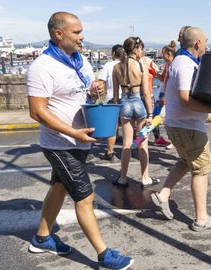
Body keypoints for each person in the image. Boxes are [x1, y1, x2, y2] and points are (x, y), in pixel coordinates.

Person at [26, 12, 133, 269]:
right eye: (76, 32)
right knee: (84, 198)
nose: (82, 36)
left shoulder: (80, 59)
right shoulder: (42, 66)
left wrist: (95, 88)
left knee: (59, 187)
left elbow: (88, 90)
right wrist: (73, 133)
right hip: (60, 144)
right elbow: (37, 111)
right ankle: (103, 254)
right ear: (58, 34)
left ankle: (41, 238)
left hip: (79, 140)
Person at [150, 27, 211, 231]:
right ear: (197, 43)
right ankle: (202, 219)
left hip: (178, 124)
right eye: (205, 41)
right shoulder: (186, 64)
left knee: (185, 161)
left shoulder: (180, 61)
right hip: (188, 127)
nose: (206, 44)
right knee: (202, 171)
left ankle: (163, 195)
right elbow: (186, 99)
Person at [112, 36, 159, 188]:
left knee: (126, 143)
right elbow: (146, 93)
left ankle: (123, 178)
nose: (143, 52)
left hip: (125, 104)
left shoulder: (117, 67)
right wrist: (151, 114)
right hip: (139, 105)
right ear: (135, 49)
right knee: (142, 143)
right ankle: (145, 178)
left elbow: (115, 96)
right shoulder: (141, 65)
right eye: (141, 49)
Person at [98, 44, 124, 161]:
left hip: (112, 99)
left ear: (113, 53)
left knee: (111, 127)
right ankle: (130, 149)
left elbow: (101, 82)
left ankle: (109, 151)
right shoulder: (126, 64)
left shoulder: (108, 65)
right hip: (126, 98)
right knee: (128, 126)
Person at [152, 40, 178, 148]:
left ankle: (174, 141)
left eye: (163, 55)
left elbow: (172, 82)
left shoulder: (175, 65)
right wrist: (156, 71)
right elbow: (163, 79)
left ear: (169, 54)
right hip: (163, 92)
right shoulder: (167, 64)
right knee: (154, 116)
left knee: (170, 118)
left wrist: (165, 96)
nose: (162, 57)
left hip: (168, 94)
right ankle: (158, 138)